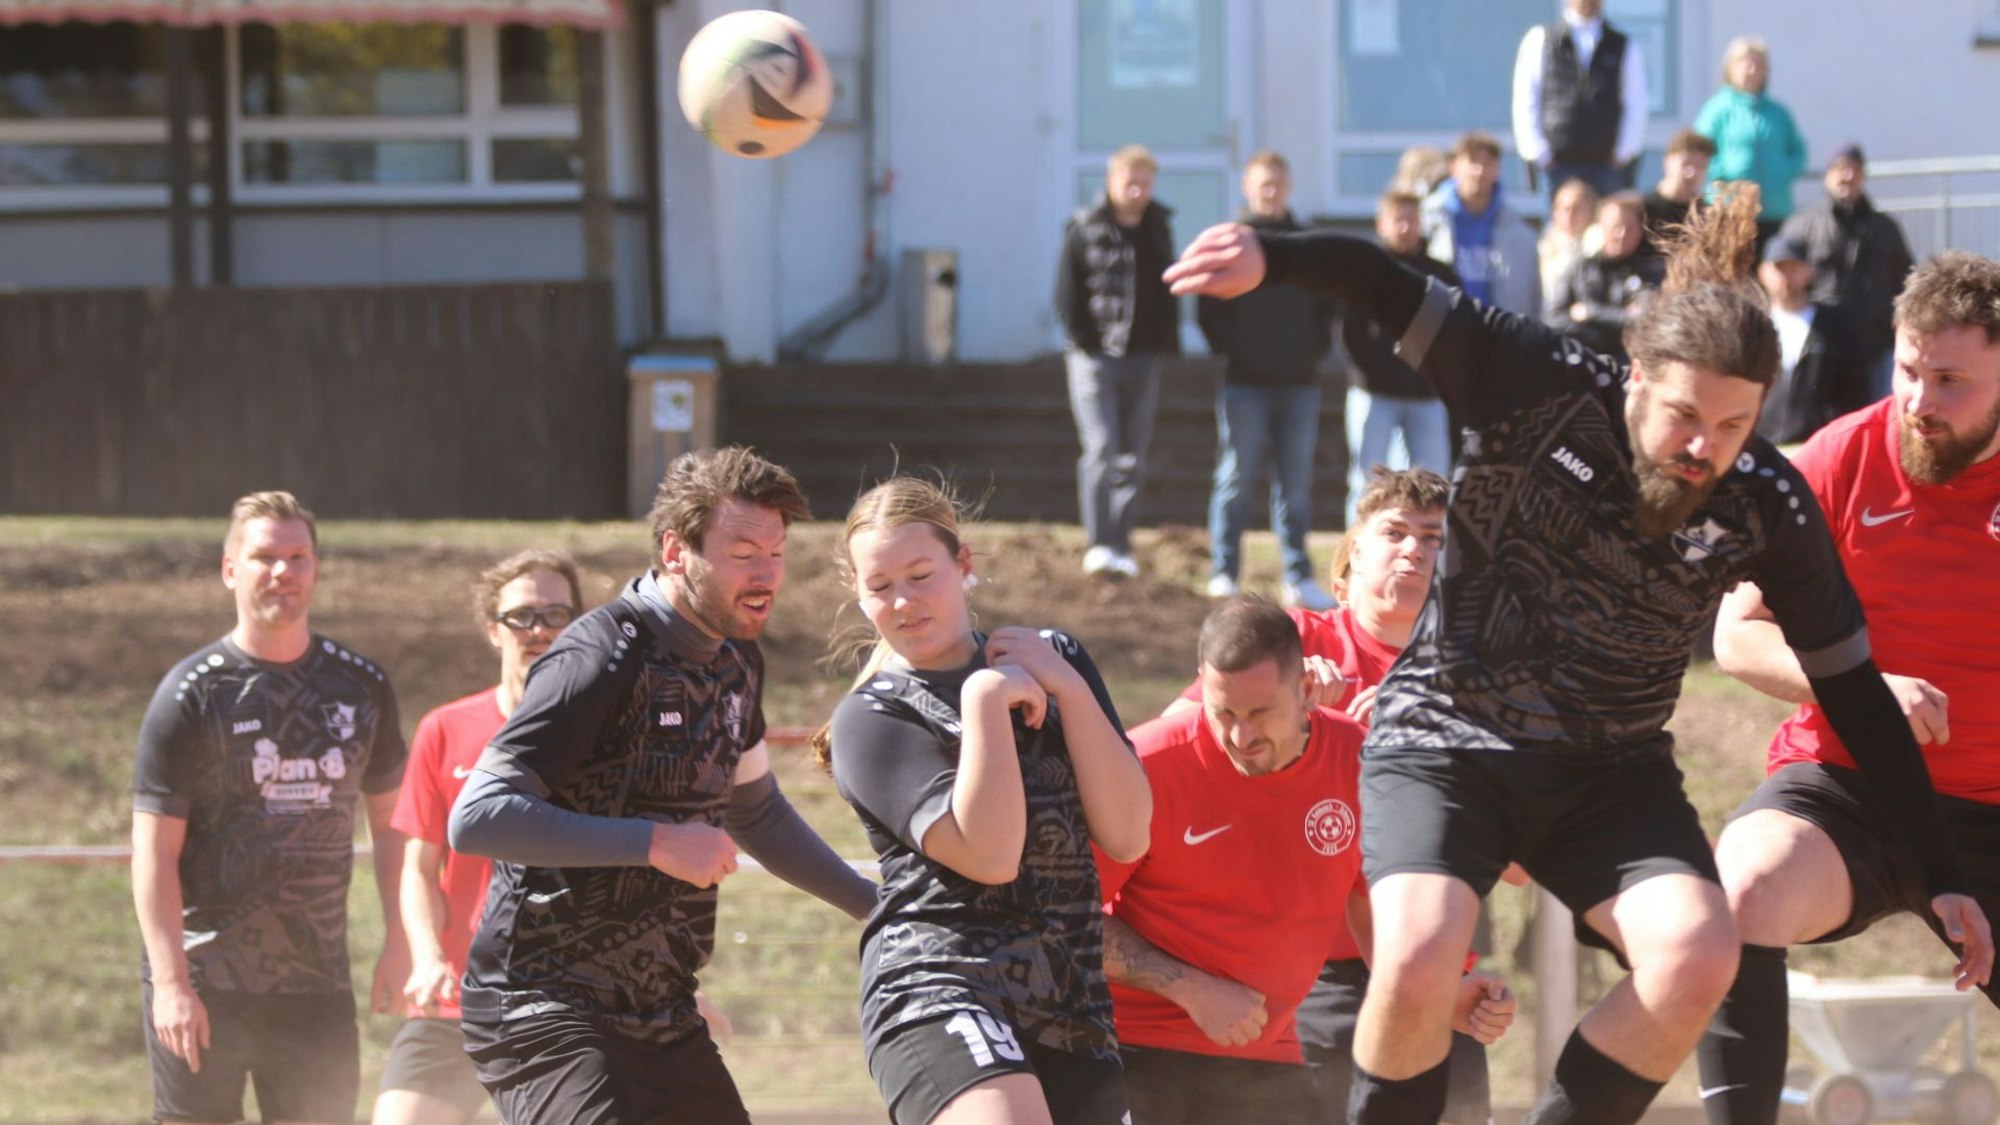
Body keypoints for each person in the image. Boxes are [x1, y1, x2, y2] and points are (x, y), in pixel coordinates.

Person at [1164, 188, 1992, 1125]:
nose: (1701, 451)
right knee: (1425, 951)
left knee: (1698, 951)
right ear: (1634, 377)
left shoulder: (1767, 499)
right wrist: (1269, 253)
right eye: (1684, 417)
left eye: (1732, 427)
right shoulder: (1534, 375)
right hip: (1448, 734)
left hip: (1611, 771)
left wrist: (1940, 868)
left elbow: (1853, 691)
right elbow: (1382, 283)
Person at [448, 448, 877, 1125]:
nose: (767, 574)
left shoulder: (738, 656)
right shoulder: (600, 655)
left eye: (777, 552)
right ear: (677, 550)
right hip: (542, 1000)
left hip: (659, 1003)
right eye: (743, 552)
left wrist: (874, 907)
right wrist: (655, 842)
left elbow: (756, 811)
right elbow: (477, 816)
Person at [1698, 250, 2000, 1125]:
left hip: (1990, 805)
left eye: (1951, 381)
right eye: (1909, 369)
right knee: (1742, 888)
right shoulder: (1840, 456)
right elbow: (1736, 634)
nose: (1919, 400)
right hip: (1847, 787)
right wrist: (1860, 689)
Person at [1099, 596, 1513, 1125]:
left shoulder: (1359, 759)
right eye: (1222, 712)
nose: (1240, 737)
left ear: (1308, 691)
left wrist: (1436, 993)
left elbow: (1370, 907)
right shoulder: (1146, 766)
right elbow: (1064, 920)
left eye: (1259, 714)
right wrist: (1188, 987)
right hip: (1128, 1046)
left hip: (1262, 1054)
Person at [817, 475, 1152, 1125]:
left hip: (1071, 1004)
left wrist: (1070, 690)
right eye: (880, 587)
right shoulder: (872, 715)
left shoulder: (1054, 657)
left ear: (963, 564)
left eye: (920, 575)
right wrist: (982, 699)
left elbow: (1130, 833)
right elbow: (991, 854)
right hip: (938, 987)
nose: (904, 601)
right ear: (859, 596)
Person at [132, 490, 408, 1125]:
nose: (283, 571)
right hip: (206, 984)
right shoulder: (191, 695)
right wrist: (172, 984)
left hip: (315, 984)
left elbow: (396, 827)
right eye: (264, 557)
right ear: (230, 568)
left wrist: (400, 937)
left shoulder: (361, 686)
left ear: (316, 568)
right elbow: (155, 851)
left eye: (298, 557)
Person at [374, 549, 582, 1125]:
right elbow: (418, 869)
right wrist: (426, 956)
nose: (537, 629)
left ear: (578, 626)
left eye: (554, 614)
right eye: (521, 616)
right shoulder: (445, 728)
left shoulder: (604, 734)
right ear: (494, 631)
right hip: (458, 1002)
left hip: (568, 1004)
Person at [1196, 150, 1338, 610]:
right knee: (1235, 476)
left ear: (1289, 186)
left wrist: (1311, 352)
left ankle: (1297, 575)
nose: (1271, 192)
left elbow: (1326, 305)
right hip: (1244, 383)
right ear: (1247, 187)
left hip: (1300, 383)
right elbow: (1208, 308)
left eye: (1278, 183)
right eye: (1263, 184)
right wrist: (1234, 352)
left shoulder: (1305, 243)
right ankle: (1224, 570)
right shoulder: (1230, 242)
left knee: (1295, 481)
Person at [1056, 143, 1181, 579]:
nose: (1137, 190)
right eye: (1129, 181)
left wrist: (1167, 341)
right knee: (1101, 447)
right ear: (1111, 182)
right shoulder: (1085, 227)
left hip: (1143, 358)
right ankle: (1097, 541)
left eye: (1144, 182)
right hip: (1094, 358)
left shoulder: (1160, 227)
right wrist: (1083, 340)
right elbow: (1067, 292)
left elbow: (1169, 287)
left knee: (1133, 454)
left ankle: (1121, 544)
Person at [1345, 195, 1462, 526]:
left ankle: (1430, 567)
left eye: (1411, 219)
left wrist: (1434, 373)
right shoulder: (1365, 271)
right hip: (1373, 393)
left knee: (1433, 483)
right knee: (1366, 484)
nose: (1405, 227)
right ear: (1380, 224)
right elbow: (1350, 332)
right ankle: (1358, 563)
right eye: (1397, 219)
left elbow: (1455, 331)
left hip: (1426, 394)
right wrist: (1375, 373)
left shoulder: (1440, 276)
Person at [1776, 143, 1916, 402]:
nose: (1847, 176)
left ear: (1863, 176)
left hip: (1875, 344)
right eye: (1840, 169)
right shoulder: (1804, 225)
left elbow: (1907, 281)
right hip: (1822, 348)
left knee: (1879, 419)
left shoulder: (1885, 228)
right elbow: (1779, 271)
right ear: (1827, 175)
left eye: (1854, 170)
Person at [1511, 0, 1649, 202]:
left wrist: (1624, 151)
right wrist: (1538, 152)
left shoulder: (1622, 44)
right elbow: (1526, 98)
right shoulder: (1541, 40)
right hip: (1557, 163)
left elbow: (1636, 101)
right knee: (1560, 231)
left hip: (1606, 164)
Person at [1693, 36, 1808, 248]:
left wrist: (1783, 173)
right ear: (1730, 68)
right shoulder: (1717, 110)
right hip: (1729, 212)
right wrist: (1724, 176)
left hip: (1774, 211)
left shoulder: (1778, 113)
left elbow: (1798, 151)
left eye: (1758, 64)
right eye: (1745, 63)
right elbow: (1699, 150)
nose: (1751, 70)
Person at [1751, 235, 1866, 446]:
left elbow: (1854, 389)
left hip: (1815, 445)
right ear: (1762, 273)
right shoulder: (1753, 326)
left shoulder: (1834, 326)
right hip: (1761, 445)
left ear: (1808, 271)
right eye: (1779, 268)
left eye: (1793, 267)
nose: (1786, 276)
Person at [1423, 132, 1542, 320]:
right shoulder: (1427, 221)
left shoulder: (1521, 233)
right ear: (1454, 167)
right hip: (1445, 329)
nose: (1479, 171)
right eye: (1472, 162)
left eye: (1487, 163)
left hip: (1497, 336)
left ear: (1497, 170)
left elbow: (1534, 299)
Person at [1547, 192, 1664, 363]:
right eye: (1616, 227)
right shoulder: (1579, 270)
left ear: (1640, 231)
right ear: (1601, 227)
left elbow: (1643, 320)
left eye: (1629, 228)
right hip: (1581, 363)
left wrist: (1591, 312)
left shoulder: (1650, 274)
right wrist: (1608, 331)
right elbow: (1554, 319)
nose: (1622, 234)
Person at [1640, 129, 1715, 267]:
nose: (1691, 173)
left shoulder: (1706, 215)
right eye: (1686, 164)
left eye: (1700, 167)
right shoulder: (1642, 209)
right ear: (1667, 162)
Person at [1539, 179, 1601, 308]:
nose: (1570, 215)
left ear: (1592, 211)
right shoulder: (1543, 247)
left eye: (1577, 209)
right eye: (1565, 209)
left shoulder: (1600, 246)